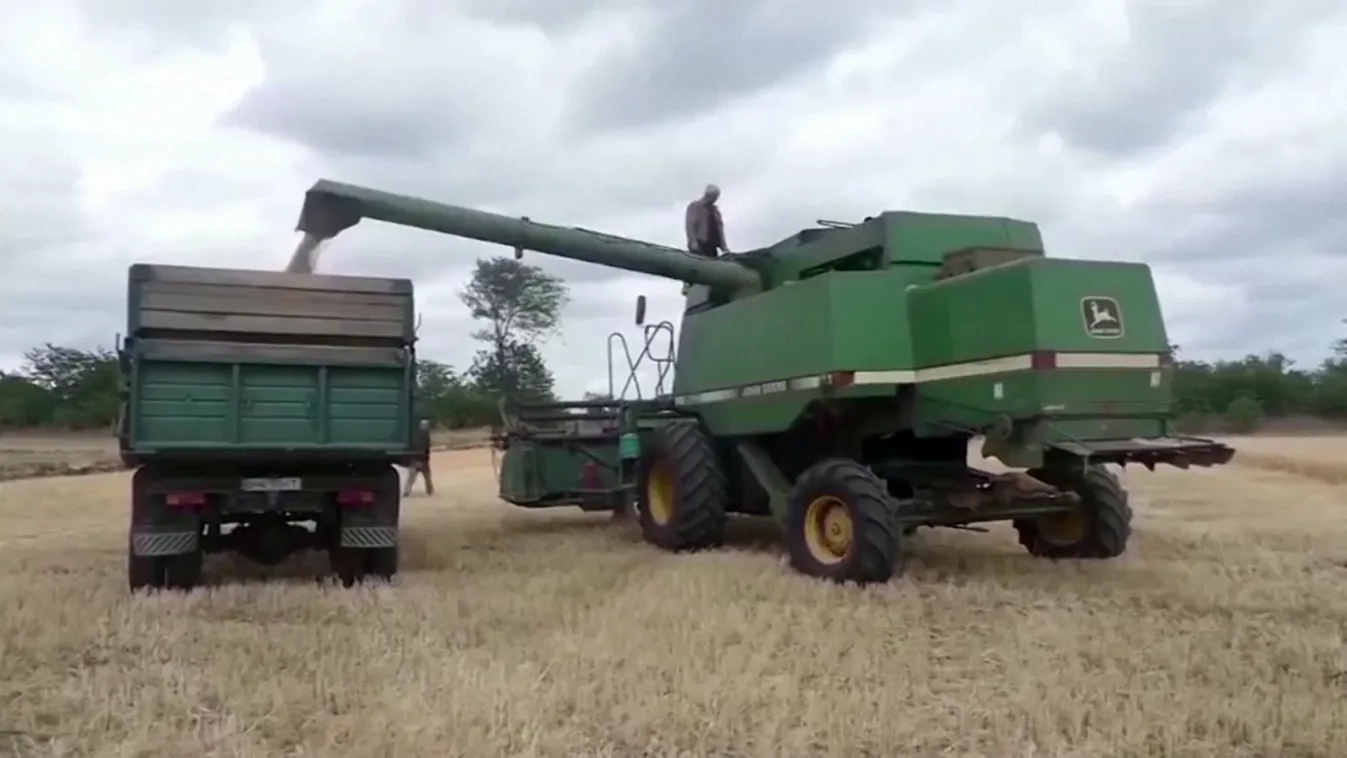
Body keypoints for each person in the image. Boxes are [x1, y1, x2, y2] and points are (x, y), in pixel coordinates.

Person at [685, 184, 731, 258]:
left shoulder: (715, 211)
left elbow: (720, 231)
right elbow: (690, 225)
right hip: (699, 243)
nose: (715, 199)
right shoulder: (695, 206)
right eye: (714, 197)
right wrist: (693, 242)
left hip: (712, 245)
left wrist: (724, 247)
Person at [403, 418, 434, 497]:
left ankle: (406, 491)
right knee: (427, 477)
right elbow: (426, 450)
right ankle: (429, 490)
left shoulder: (416, 436)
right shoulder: (426, 437)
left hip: (415, 460)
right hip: (422, 460)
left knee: (411, 478)